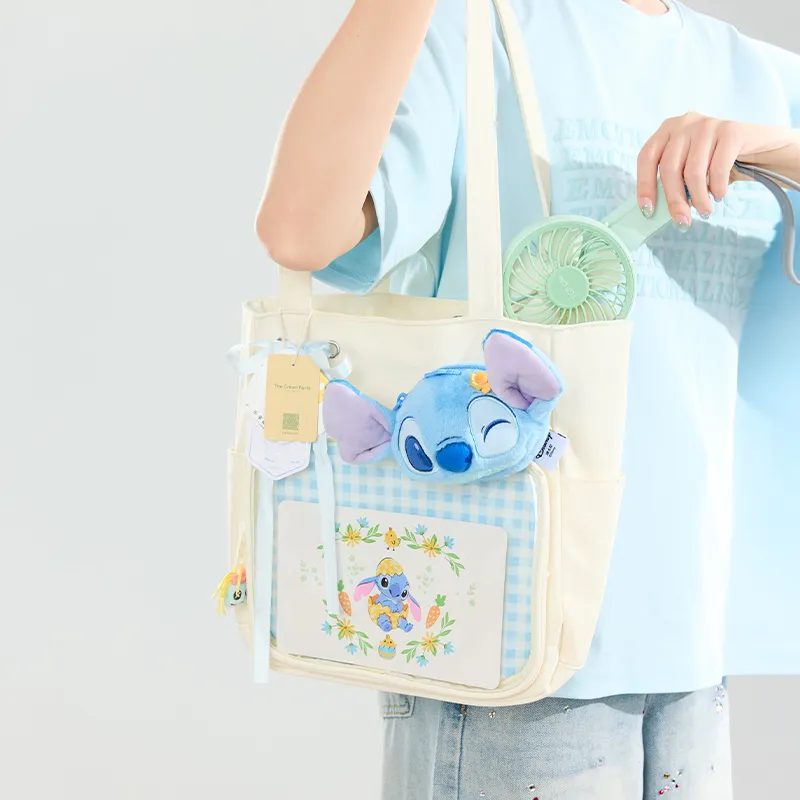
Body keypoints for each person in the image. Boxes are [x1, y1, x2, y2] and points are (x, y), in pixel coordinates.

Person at [256, 1, 800, 798]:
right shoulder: (473, 28)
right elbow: (301, 231)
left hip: (692, 647)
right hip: (515, 646)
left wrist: (776, 149)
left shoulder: (762, 78)